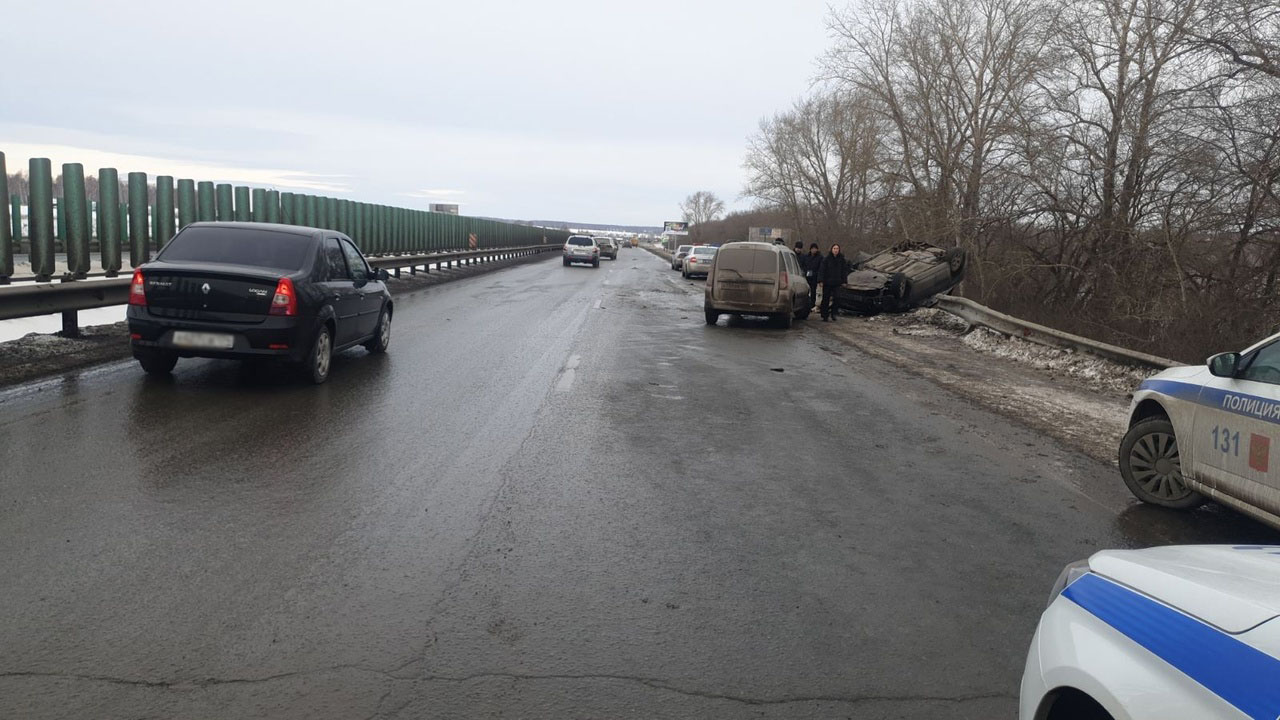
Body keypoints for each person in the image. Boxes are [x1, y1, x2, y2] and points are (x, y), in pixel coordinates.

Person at [818, 243, 851, 322]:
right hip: (827, 282)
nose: (836, 250)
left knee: (837, 298)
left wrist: (844, 281)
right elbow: (822, 270)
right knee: (825, 299)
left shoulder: (841, 259)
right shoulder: (826, 259)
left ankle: (834, 313)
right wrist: (820, 280)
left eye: (837, 249)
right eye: (834, 249)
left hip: (837, 282)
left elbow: (844, 271)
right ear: (831, 249)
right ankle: (825, 315)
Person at [800, 243, 822, 310]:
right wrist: (805, 271)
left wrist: (816, 274)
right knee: (805, 291)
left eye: (815, 249)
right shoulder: (806, 257)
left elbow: (821, 268)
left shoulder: (820, 257)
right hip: (806, 276)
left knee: (813, 292)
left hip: (815, 277)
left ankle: (812, 305)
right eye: (812, 249)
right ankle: (805, 304)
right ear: (810, 249)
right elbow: (802, 265)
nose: (814, 250)